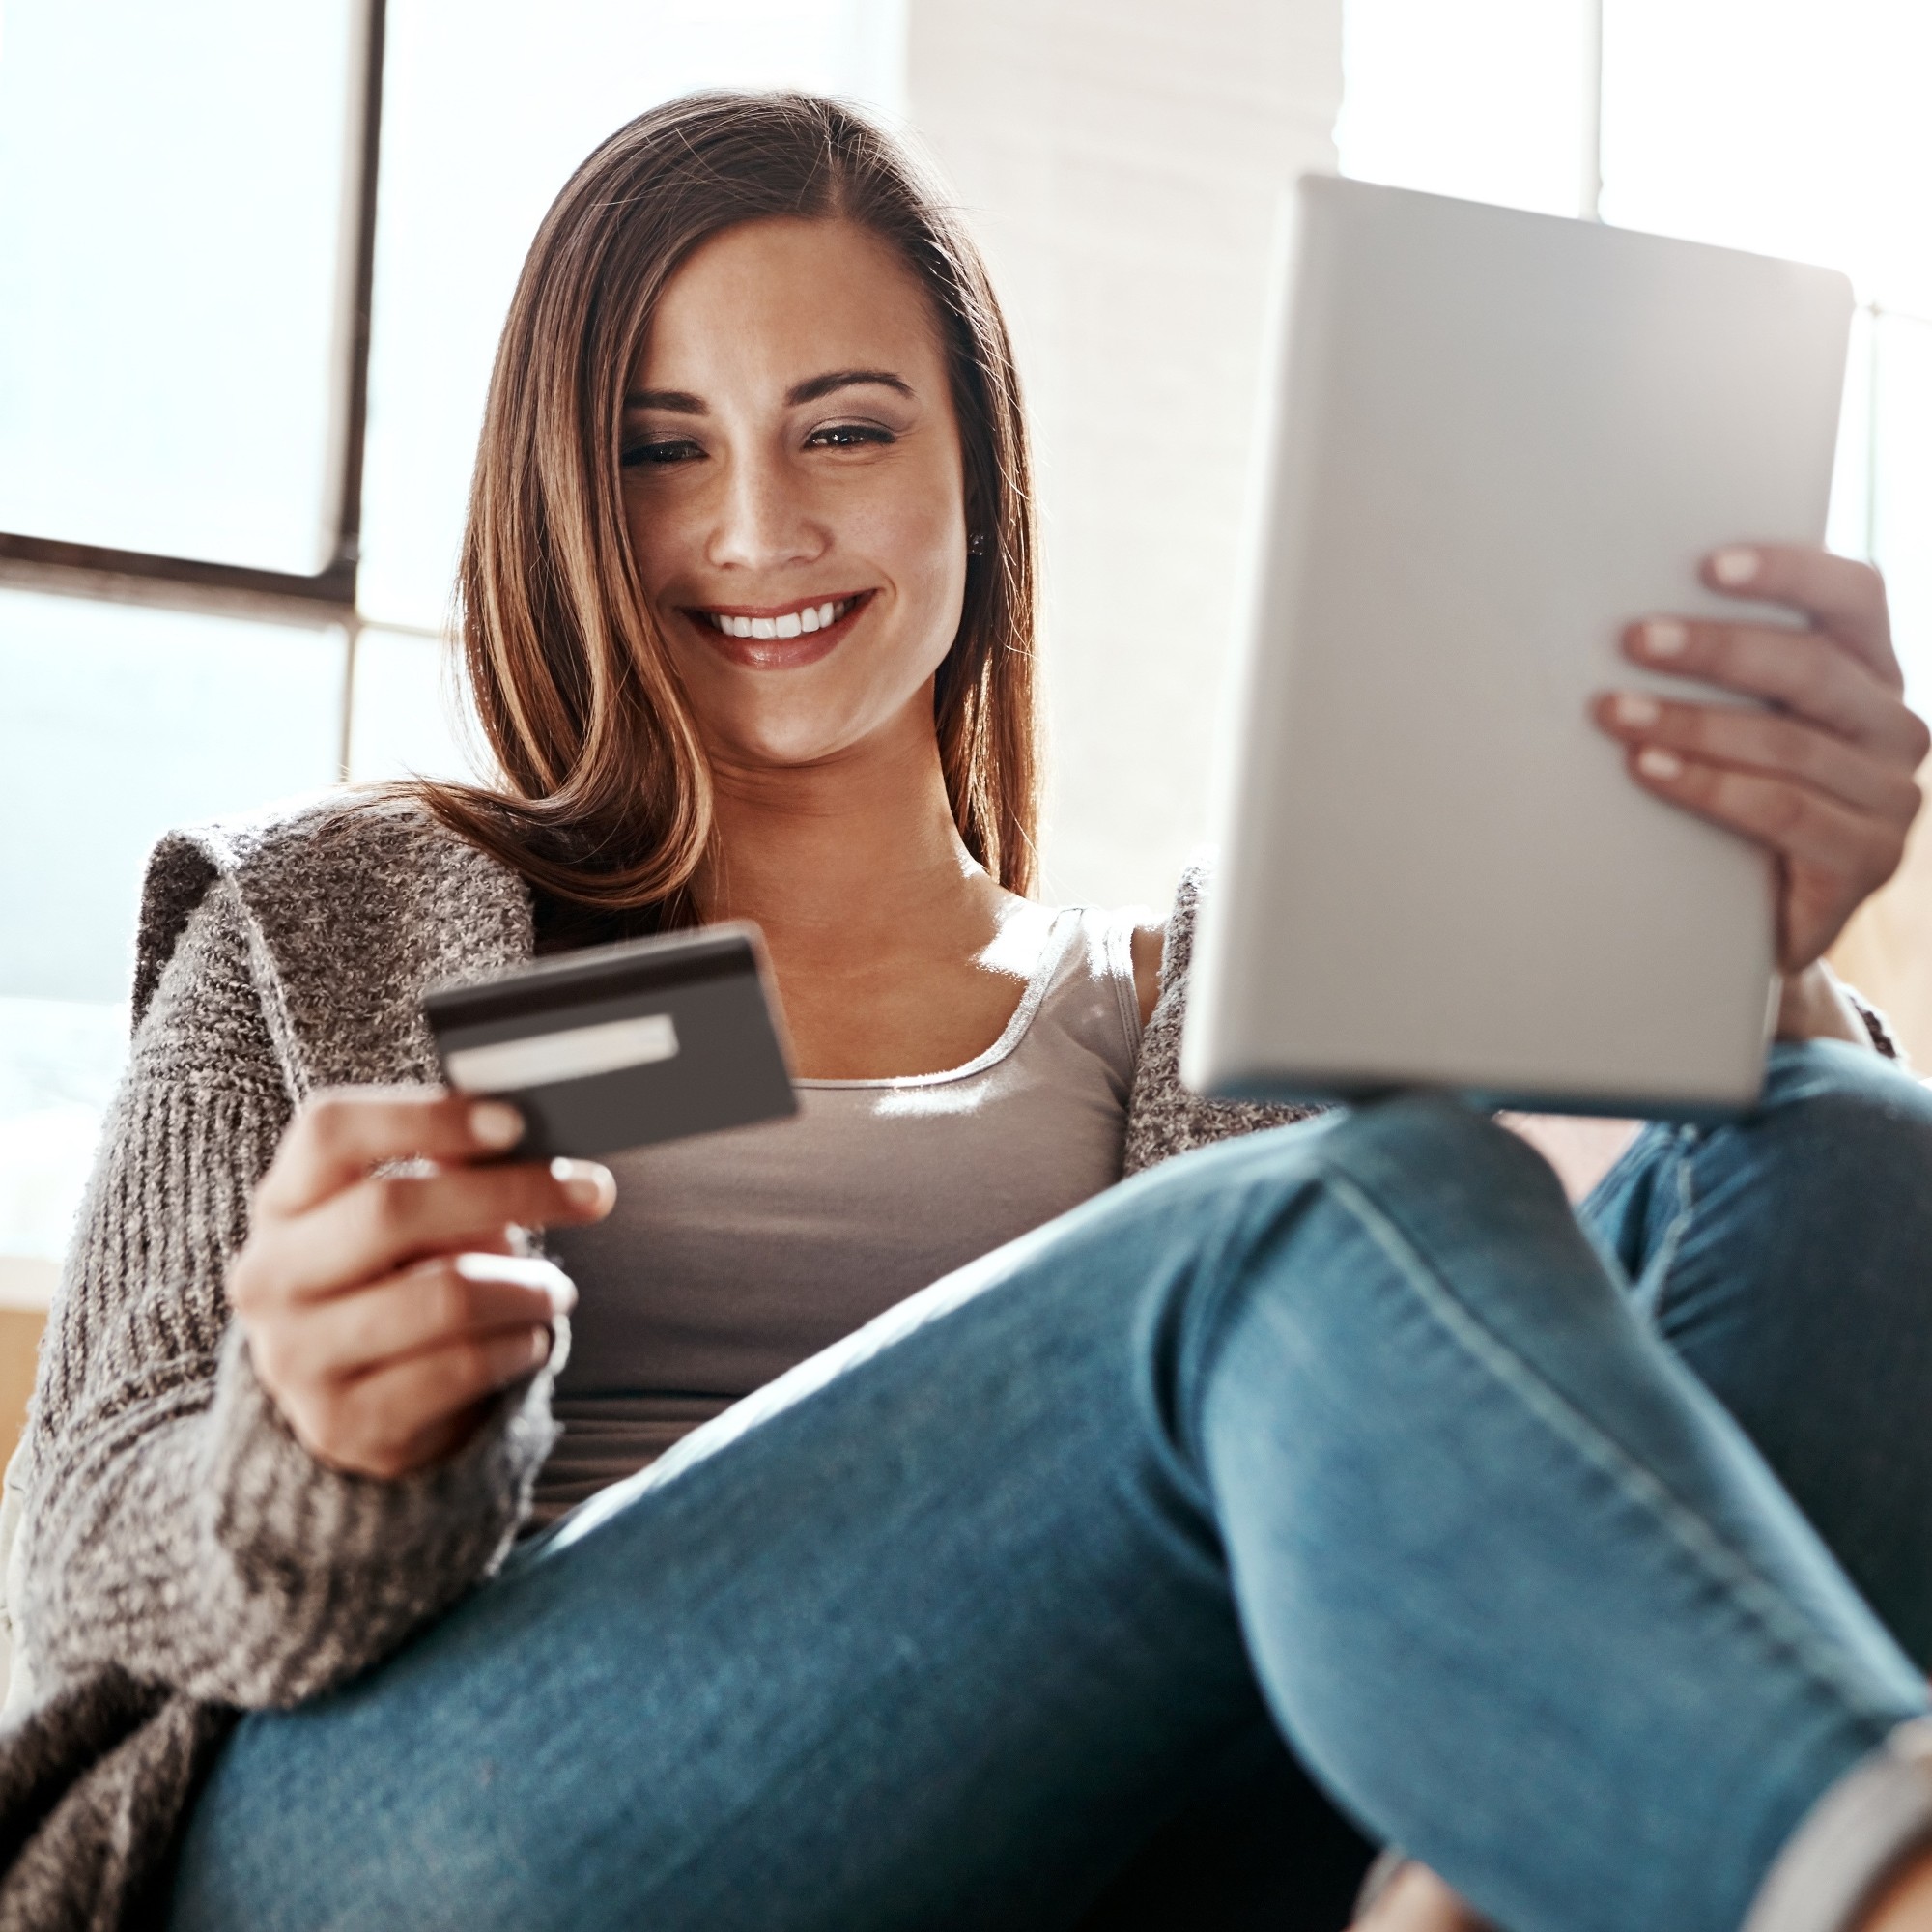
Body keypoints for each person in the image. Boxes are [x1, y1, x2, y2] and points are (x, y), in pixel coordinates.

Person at [4, 90, 1932, 1932]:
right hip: (440, 1818)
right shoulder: (340, 924)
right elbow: (78, 1562)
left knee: (1856, 1146)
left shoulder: (1192, 1008)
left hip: (1116, 1841)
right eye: (661, 446)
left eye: (842, 431)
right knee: (1322, 1221)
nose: (755, 526)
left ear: (978, 475)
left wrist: (1740, 957)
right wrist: (311, 1456)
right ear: (563, 500)